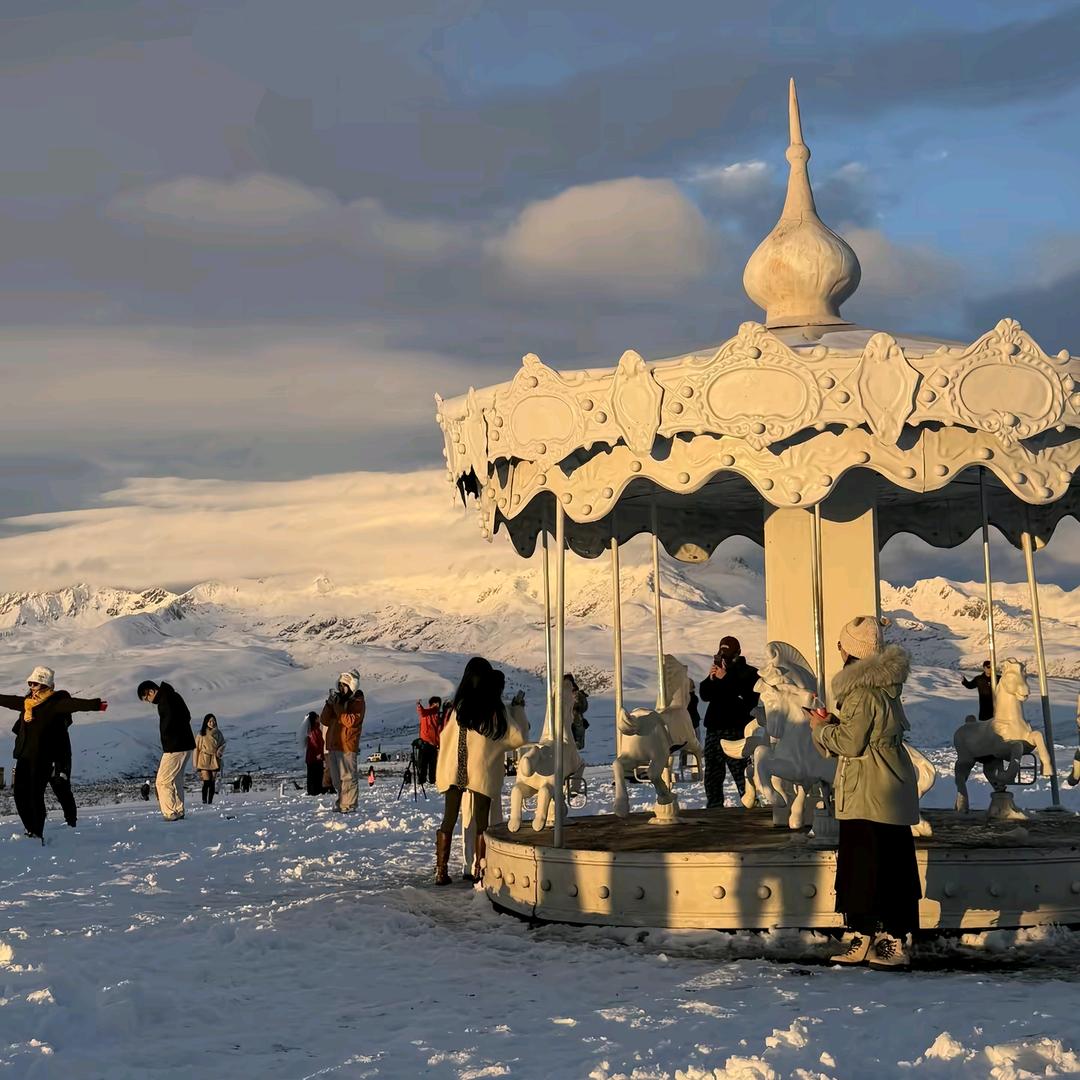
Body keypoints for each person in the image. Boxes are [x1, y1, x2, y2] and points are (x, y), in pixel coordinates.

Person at [810, 615, 921, 970]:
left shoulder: (859, 694)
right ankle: (891, 937)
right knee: (894, 863)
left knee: (863, 864)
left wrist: (819, 728)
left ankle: (865, 934)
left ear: (851, 652)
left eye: (841, 645)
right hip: (892, 785)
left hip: (866, 790)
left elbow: (850, 743)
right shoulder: (886, 688)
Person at [434, 657, 528, 885]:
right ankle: (479, 869)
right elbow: (518, 738)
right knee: (482, 821)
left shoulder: (459, 707)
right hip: (481, 772)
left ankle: (441, 871)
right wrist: (517, 710)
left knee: (448, 819)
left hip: (454, 770)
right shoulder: (494, 709)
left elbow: (445, 737)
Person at [1, 666, 107, 839]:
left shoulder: (55, 704)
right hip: (24, 757)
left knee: (38, 795)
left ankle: (37, 831)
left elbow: (75, 704)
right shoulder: (27, 703)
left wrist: (97, 705)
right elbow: (8, 700)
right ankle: (30, 827)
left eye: (35, 684)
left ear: (44, 685)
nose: (32, 687)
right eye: (30, 683)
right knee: (20, 795)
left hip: (43, 759)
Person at [699, 636, 760, 808]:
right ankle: (714, 805)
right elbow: (704, 694)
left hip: (736, 730)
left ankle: (750, 803)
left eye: (727, 655)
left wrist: (726, 678)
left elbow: (748, 698)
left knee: (741, 772)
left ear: (737, 654)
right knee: (712, 773)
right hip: (714, 730)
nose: (723, 659)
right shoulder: (718, 672)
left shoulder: (748, 673)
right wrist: (712, 678)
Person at [137, 679, 196, 821]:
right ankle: (178, 810)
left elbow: (168, 724)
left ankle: (170, 813)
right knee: (175, 780)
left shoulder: (165, 700)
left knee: (162, 781)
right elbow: (187, 716)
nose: (149, 701)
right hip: (185, 745)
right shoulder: (173, 695)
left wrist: (168, 739)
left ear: (151, 691)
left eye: (147, 698)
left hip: (175, 747)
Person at [319, 670, 365, 812]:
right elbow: (324, 720)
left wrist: (338, 707)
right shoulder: (338, 702)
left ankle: (349, 805)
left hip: (347, 744)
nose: (341, 689)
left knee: (348, 777)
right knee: (336, 779)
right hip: (334, 743)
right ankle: (342, 802)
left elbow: (349, 721)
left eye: (344, 686)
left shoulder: (357, 701)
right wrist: (329, 704)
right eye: (340, 686)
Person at [193, 714, 226, 804]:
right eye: (210, 721)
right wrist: (195, 764)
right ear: (206, 722)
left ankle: (210, 801)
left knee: (212, 781)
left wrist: (220, 751)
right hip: (204, 758)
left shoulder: (218, 733)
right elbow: (196, 749)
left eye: (213, 721)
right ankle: (204, 800)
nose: (212, 723)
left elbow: (223, 744)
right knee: (206, 781)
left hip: (215, 759)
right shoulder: (201, 734)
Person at [415, 696, 443, 786]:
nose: (438, 706)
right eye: (437, 703)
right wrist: (419, 706)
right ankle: (431, 780)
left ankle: (422, 780)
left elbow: (422, 712)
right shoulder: (433, 711)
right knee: (432, 765)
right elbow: (422, 712)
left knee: (423, 764)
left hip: (426, 744)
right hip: (430, 744)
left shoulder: (433, 714)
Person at [300, 711, 325, 795]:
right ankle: (315, 790)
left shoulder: (312, 730)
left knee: (312, 775)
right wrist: (319, 754)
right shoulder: (314, 731)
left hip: (312, 757)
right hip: (315, 757)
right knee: (316, 775)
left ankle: (313, 790)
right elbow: (315, 743)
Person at [569, 674, 589, 750]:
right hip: (576, 720)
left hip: (576, 720)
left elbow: (579, 707)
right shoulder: (576, 694)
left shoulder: (575, 694)